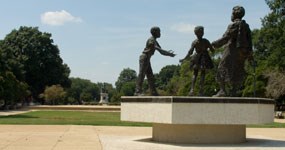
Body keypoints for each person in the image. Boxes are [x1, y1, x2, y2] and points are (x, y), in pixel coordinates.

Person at [212, 6, 253, 97]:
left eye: (232, 13)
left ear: (234, 14)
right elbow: (250, 41)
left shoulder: (234, 25)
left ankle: (222, 90)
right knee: (237, 70)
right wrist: (250, 54)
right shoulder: (246, 26)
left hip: (231, 51)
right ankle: (234, 90)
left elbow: (226, 38)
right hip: (242, 53)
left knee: (221, 68)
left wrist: (215, 44)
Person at [135, 26, 175, 96]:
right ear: (154, 32)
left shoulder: (155, 40)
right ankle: (137, 91)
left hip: (147, 58)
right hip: (144, 57)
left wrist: (169, 54)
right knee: (142, 74)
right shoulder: (151, 40)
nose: (160, 33)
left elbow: (161, 51)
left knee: (150, 76)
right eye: (159, 32)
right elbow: (157, 48)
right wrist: (168, 53)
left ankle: (153, 92)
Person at [180, 26, 214, 96]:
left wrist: (184, 59)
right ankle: (200, 91)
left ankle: (192, 90)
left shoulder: (194, 42)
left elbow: (190, 53)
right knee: (202, 74)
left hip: (197, 58)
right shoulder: (205, 41)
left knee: (195, 74)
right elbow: (212, 50)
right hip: (204, 58)